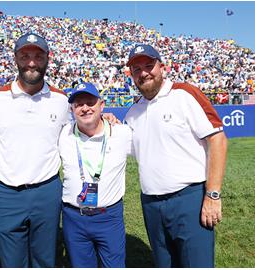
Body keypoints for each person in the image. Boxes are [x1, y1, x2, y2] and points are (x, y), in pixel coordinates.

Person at [124, 44, 228, 267]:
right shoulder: (133, 112)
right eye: (136, 69)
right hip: (151, 203)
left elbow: (217, 139)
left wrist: (213, 195)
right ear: (131, 75)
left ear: (162, 67)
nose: (143, 73)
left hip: (188, 199)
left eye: (149, 66)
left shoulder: (184, 94)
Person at [0, 32, 69, 268]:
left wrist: (108, 119)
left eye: (38, 56)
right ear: (15, 59)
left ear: (47, 59)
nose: (32, 62)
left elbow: (79, 133)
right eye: (25, 56)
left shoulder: (61, 100)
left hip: (47, 191)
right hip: (8, 193)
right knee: (12, 262)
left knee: (45, 260)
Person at [59, 82, 132, 267]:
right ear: (72, 109)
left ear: (101, 105)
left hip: (109, 215)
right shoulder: (63, 134)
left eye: (90, 103)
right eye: (79, 104)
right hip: (74, 217)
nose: (85, 108)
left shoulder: (122, 133)